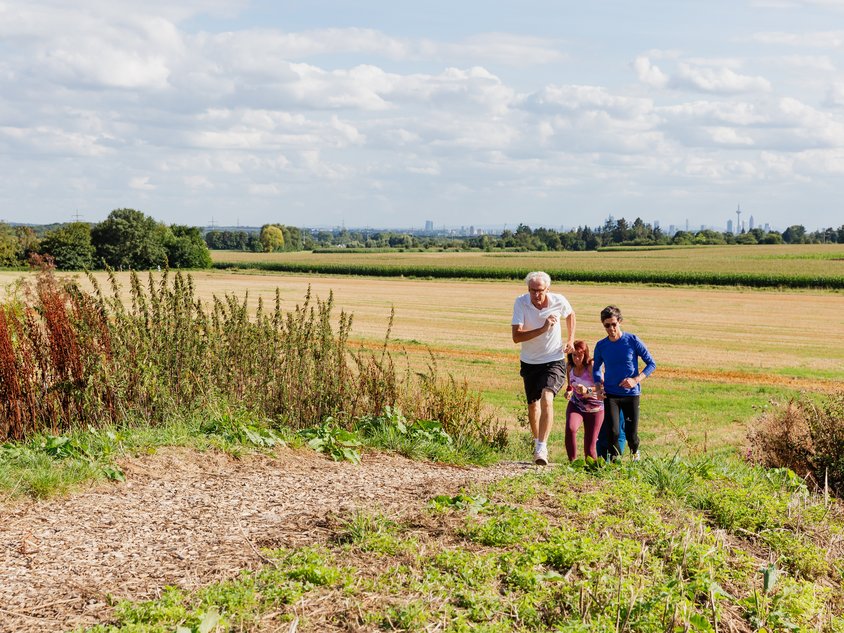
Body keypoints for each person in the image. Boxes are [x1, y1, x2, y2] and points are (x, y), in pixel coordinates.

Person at [511, 271, 576, 465]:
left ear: (547, 289)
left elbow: (571, 314)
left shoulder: (559, 300)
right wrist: (543, 328)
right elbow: (516, 337)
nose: (536, 295)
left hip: (554, 359)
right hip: (530, 361)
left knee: (548, 397)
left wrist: (570, 339)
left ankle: (542, 447)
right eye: (532, 290)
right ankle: (537, 440)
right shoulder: (521, 302)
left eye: (539, 291)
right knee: (533, 404)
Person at [592, 305, 656, 461]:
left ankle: (635, 453)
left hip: (631, 395)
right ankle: (615, 460)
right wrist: (599, 388)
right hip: (611, 394)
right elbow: (596, 369)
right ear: (603, 325)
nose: (611, 328)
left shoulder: (632, 340)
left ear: (619, 321)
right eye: (607, 325)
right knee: (612, 431)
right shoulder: (601, 346)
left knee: (631, 434)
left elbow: (651, 364)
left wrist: (635, 380)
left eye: (614, 324)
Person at [564, 340, 604, 461]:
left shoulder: (591, 366)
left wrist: (588, 391)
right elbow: (570, 384)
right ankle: (572, 462)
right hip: (576, 404)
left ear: (585, 354)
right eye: (574, 355)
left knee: (590, 448)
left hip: (595, 408)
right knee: (571, 428)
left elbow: (602, 389)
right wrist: (569, 391)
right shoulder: (569, 366)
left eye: (580, 355)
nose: (576, 358)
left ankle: (591, 471)